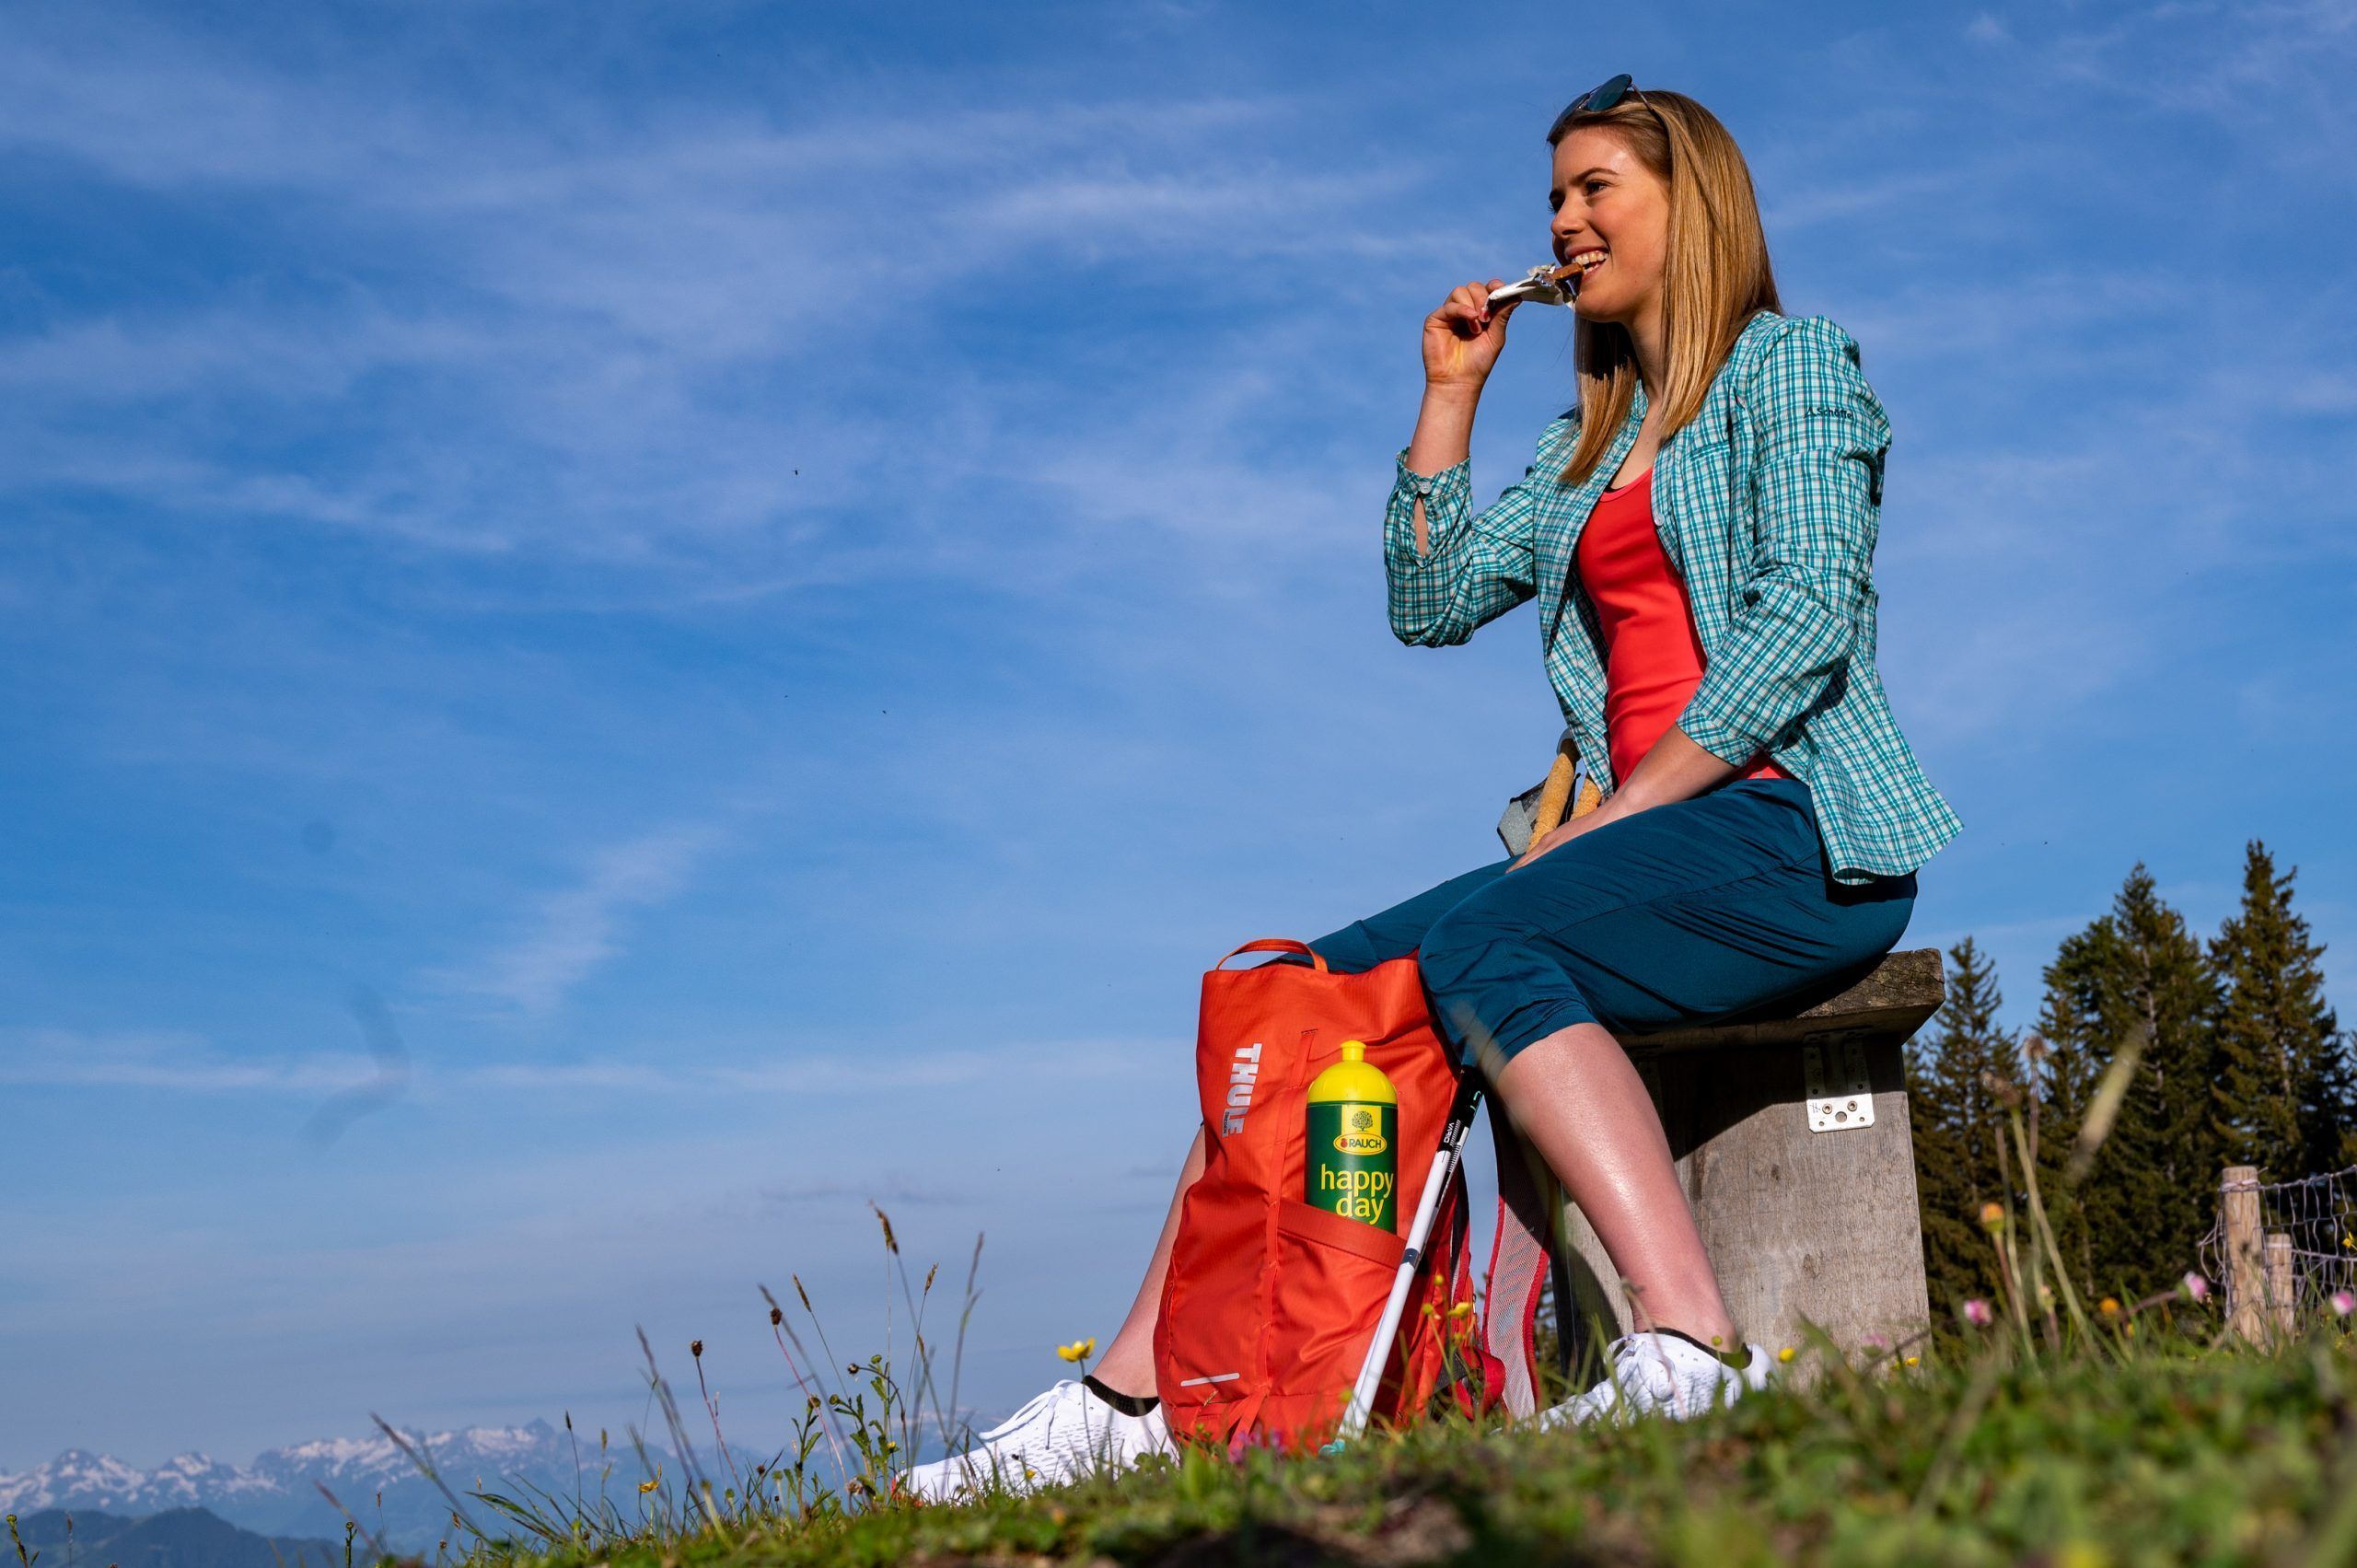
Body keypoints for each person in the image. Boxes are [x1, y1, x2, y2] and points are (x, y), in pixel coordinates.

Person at [901, 75, 1960, 1503]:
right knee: (1301, 990)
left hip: (1796, 835)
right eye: (1554, 198)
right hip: (1641, 848)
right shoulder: (1587, 448)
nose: (1563, 222)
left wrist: (1628, 810)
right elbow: (1431, 598)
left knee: (1486, 940)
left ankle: (1694, 1344)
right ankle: (1135, 1395)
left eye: (1595, 189)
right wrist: (1449, 394)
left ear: (1693, 201)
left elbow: (1810, 612)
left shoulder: (1792, 368)